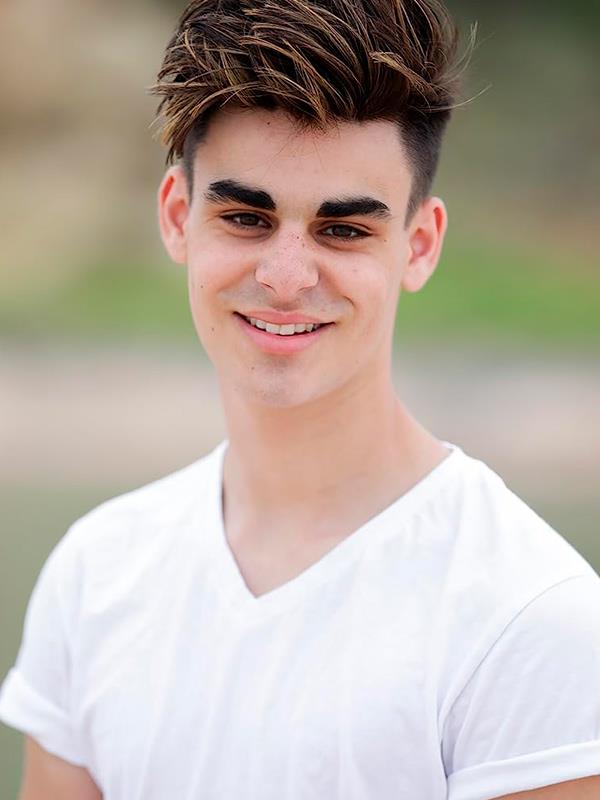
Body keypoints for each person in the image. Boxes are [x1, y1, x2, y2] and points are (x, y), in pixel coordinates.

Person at [1, 0, 599, 798]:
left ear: (419, 246)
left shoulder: (531, 616)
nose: (286, 278)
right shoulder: (95, 574)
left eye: (342, 230)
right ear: (177, 218)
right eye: (247, 218)